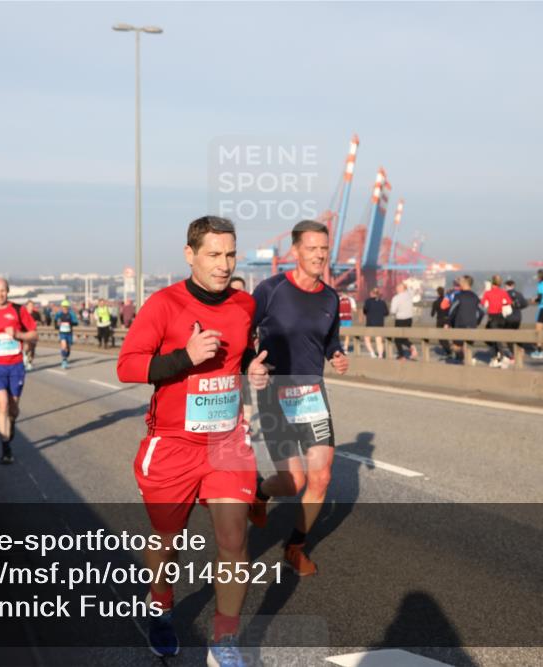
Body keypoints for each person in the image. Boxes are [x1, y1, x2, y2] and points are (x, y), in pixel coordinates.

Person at [116, 215, 269, 665]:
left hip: (227, 442)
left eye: (230, 254)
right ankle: (160, 604)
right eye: (213, 255)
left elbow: (240, 359)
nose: (224, 265)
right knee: (167, 538)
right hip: (173, 444)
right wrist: (185, 357)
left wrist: (253, 372)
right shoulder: (163, 305)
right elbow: (127, 366)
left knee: (234, 538)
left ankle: (224, 641)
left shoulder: (244, 306)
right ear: (191, 255)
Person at [249, 219, 349, 577]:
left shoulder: (330, 297)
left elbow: (330, 339)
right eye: (312, 248)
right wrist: (249, 365)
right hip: (274, 392)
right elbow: (243, 331)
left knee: (320, 477)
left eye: (324, 249)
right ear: (295, 251)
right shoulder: (270, 290)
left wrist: (336, 353)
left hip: (311, 393)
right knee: (293, 481)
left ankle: (295, 547)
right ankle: (261, 494)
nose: (320, 255)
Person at [0, 278, 39, 463]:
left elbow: (34, 334)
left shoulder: (18, 310)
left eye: (3, 290)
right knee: (2, 404)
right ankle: (6, 448)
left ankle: (11, 422)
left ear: (8, 291)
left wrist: (18, 335)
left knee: (13, 408)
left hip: (16, 366)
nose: (0, 294)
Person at [447, 275, 483, 363]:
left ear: (463, 283)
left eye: (461, 281)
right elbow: (481, 312)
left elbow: (452, 312)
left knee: (455, 346)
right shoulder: (475, 297)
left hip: (459, 325)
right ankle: (467, 359)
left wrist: (449, 323)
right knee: (467, 345)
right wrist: (476, 322)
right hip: (472, 325)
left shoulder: (458, 296)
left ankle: (465, 359)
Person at [480, 274, 512, 367]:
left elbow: (482, 303)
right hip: (501, 317)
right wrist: (501, 303)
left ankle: (500, 357)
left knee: (492, 338)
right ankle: (498, 355)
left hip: (492, 317)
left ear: (492, 282)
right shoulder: (503, 292)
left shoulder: (488, 293)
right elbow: (509, 302)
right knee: (497, 337)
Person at [389, 281, 417, 360]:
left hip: (400, 319)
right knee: (404, 337)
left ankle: (402, 356)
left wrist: (393, 312)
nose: (396, 289)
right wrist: (406, 286)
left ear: (400, 289)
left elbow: (393, 311)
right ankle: (412, 347)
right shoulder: (409, 295)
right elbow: (411, 290)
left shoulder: (396, 298)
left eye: (397, 288)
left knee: (397, 339)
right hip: (409, 319)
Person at [362, 287, 389, 359]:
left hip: (370, 323)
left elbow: (365, 311)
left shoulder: (368, 301)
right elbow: (386, 313)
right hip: (380, 323)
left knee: (367, 339)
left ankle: (372, 353)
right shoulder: (382, 302)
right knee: (379, 341)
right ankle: (380, 355)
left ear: (371, 293)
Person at [53, 299, 79, 369]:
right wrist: (56, 326)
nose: (64, 308)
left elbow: (76, 322)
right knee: (63, 346)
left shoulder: (71, 313)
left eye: (66, 307)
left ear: (68, 307)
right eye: (63, 307)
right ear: (61, 307)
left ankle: (66, 357)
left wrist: (71, 322)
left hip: (69, 333)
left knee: (68, 348)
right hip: (62, 333)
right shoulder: (59, 313)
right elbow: (55, 319)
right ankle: (64, 360)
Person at [430, 286, 451, 357]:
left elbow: (432, 314)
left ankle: (449, 351)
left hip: (440, 320)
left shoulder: (435, 302)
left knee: (440, 337)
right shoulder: (448, 301)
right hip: (447, 320)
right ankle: (449, 351)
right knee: (445, 336)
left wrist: (434, 309)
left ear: (437, 293)